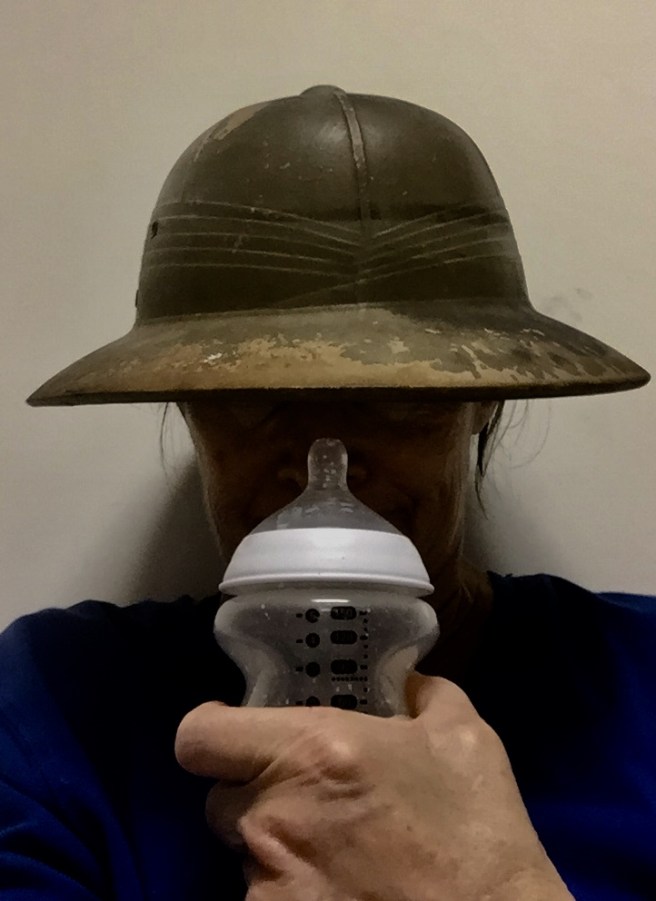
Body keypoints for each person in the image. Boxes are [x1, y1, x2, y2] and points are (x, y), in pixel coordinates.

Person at [2, 86, 654, 900]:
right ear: (184, 402)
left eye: (396, 393)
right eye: (252, 396)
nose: (326, 460)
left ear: (484, 395)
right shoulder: (61, 710)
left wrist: (496, 885)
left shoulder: (636, 691)